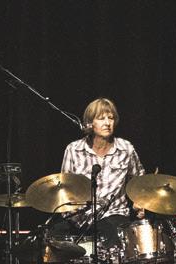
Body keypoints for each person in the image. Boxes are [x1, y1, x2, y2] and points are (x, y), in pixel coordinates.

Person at [58, 97, 145, 246]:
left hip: (114, 215)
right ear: (90, 123)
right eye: (101, 118)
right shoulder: (73, 149)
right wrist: (69, 209)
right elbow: (64, 187)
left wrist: (140, 201)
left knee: (111, 231)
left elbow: (139, 179)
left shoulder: (126, 148)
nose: (107, 123)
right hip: (81, 218)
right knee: (51, 238)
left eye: (110, 118)